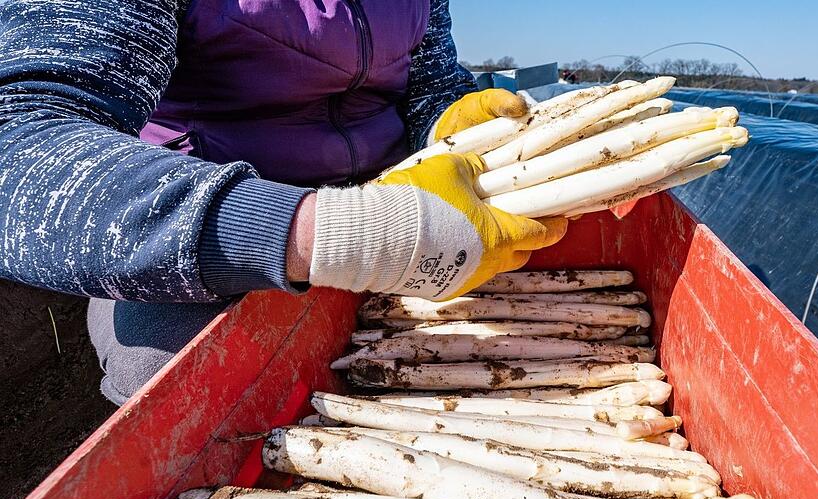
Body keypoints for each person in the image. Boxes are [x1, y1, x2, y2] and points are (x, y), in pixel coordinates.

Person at [0, 0, 567, 404]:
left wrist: (446, 125)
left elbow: (428, 85)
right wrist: (346, 233)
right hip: (219, 229)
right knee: (176, 378)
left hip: (411, 204)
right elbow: (18, 150)